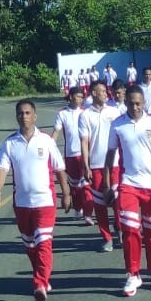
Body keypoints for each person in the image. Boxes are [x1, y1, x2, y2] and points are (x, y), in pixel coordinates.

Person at [0, 99, 72, 301]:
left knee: (43, 242)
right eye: (21, 113)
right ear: (17, 116)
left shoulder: (45, 140)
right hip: (22, 203)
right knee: (30, 244)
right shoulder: (10, 143)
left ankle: (39, 283)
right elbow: (2, 168)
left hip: (45, 201)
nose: (24, 116)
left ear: (35, 116)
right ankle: (42, 277)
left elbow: (59, 168)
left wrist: (66, 193)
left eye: (28, 113)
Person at [104, 85, 151, 295]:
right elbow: (110, 154)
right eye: (131, 103)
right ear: (125, 103)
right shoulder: (117, 125)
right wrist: (106, 183)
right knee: (130, 229)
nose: (135, 106)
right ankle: (133, 274)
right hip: (128, 184)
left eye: (138, 103)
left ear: (145, 103)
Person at [78, 80, 118, 249]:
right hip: (95, 165)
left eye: (105, 91)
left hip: (115, 163)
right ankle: (107, 238)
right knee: (100, 204)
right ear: (94, 93)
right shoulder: (85, 115)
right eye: (102, 91)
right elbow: (84, 142)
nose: (105, 94)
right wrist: (86, 166)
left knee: (118, 200)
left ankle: (121, 228)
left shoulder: (115, 112)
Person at [51, 85, 91, 224]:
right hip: (70, 155)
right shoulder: (62, 114)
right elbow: (56, 133)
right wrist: (50, 149)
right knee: (75, 185)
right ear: (71, 97)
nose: (80, 100)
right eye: (78, 97)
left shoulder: (85, 112)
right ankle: (78, 209)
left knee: (86, 185)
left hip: (85, 153)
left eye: (82, 97)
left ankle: (88, 213)